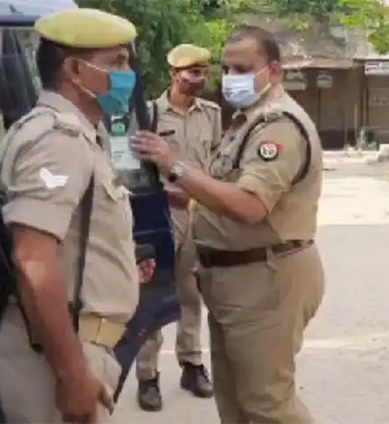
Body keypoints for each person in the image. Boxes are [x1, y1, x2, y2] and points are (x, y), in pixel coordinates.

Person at [131, 25, 325, 424]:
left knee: (269, 405)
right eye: (228, 68)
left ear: (273, 70)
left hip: (264, 279)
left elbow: (251, 205)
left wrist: (175, 166)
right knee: (235, 404)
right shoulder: (246, 121)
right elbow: (220, 193)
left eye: (243, 68)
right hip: (232, 279)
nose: (231, 78)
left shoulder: (278, 125)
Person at [0, 8, 154, 424]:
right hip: (58, 353)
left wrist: (117, 269)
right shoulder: (57, 140)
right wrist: (72, 372)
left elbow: (71, 237)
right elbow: (33, 260)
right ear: (75, 70)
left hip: (71, 344)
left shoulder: (73, 133)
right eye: (116, 61)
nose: (126, 72)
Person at [135, 43, 219, 411]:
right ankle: (147, 375)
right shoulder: (151, 113)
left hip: (197, 212)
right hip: (163, 212)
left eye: (203, 73)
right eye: (191, 73)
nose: (198, 80)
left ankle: (191, 364)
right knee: (153, 295)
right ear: (173, 74)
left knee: (191, 292)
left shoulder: (212, 113)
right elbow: (137, 168)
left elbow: (215, 160)